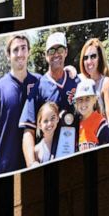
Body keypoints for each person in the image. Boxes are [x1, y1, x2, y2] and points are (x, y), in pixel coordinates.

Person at [0, 34, 40, 179]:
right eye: (15, 50)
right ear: (8, 55)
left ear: (29, 51)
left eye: (23, 48)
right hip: (6, 170)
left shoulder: (40, 82)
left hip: (35, 164)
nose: (20, 54)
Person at [20, 31, 79, 167]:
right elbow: (28, 130)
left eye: (60, 49)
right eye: (51, 50)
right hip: (50, 155)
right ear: (46, 56)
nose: (56, 54)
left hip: (77, 147)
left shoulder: (75, 80)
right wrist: (31, 163)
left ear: (66, 52)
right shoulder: (39, 87)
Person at [79, 37, 109, 141]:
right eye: (85, 57)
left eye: (93, 56)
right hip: (84, 139)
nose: (89, 61)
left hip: (100, 138)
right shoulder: (80, 82)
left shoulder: (106, 82)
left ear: (100, 58)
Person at [74, 76, 109, 151]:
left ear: (94, 100)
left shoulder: (100, 123)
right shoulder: (76, 123)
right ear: (76, 102)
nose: (83, 103)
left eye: (87, 98)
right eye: (80, 99)